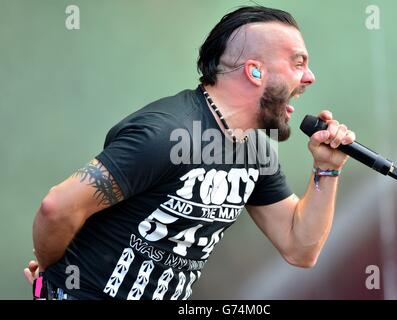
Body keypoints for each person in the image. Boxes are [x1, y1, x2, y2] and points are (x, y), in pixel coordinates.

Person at [24, 6, 355, 300]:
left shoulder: (255, 150)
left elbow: (300, 248)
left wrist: (326, 168)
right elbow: (56, 207)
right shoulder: (165, 133)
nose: (309, 77)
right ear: (254, 71)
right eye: (298, 63)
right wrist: (52, 276)